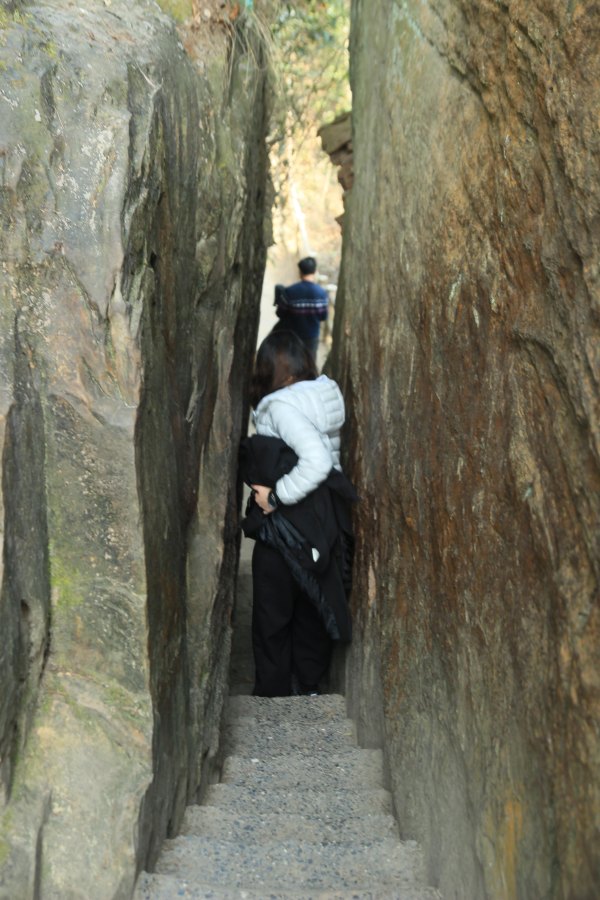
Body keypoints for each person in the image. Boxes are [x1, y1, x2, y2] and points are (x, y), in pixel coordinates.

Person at [239, 329, 355, 697]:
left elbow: (316, 461)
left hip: (287, 525)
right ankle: (309, 686)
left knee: (273, 613)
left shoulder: (281, 407)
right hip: (321, 524)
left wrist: (275, 498)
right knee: (310, 605)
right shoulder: (321, 396)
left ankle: (273, 694)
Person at [274, 257, 329, 360]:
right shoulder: (322, 293)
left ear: (300, 272)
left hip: (292, 336)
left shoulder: (290, 291)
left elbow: (280, 313)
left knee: (291, 365)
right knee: (310, 365)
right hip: (312, 337)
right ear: (315, 272)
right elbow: (323, 316)